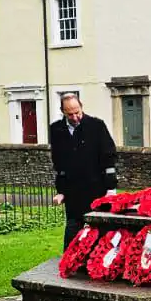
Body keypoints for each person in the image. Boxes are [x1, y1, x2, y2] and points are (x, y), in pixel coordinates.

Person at [49, 94, 117, 250]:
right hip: (73, 193)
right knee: (72, 238)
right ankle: (70, 266)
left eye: (77, 112)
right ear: (62, 111)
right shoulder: (56, 130)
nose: (74, 117)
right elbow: (59, 164)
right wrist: (61, 191)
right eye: (70, 114)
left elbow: (109, 157)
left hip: (97, 189)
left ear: (81, 107)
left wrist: (111, 188)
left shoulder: (97, 126)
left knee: (98, 235)